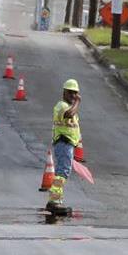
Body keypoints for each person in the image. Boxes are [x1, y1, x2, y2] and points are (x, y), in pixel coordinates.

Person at [47, 79, 81, 213]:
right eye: (70, 93)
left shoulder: (70, 107)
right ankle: (54, 201)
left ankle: (55, 200)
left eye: (75, 93)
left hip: (68, 144)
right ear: (64, 92)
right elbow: (68, 115)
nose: (73, 96)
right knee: (62, 172)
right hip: (63, 142)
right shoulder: (62, 106)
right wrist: (78, 102)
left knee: (63, 171)